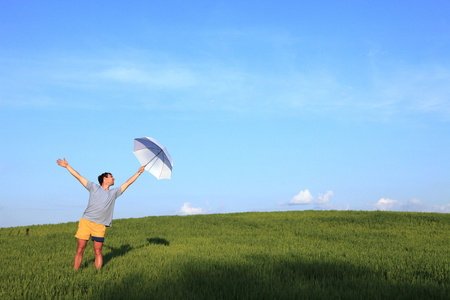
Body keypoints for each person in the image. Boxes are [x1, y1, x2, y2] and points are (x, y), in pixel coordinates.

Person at [57, 158, 145, 270]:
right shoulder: (94, 187)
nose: (114, 178)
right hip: (86, 222)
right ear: (105, 179)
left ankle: (98, 274)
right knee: (80, 249)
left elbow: (127, 183)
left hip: (100, 225)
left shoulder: (114, 193)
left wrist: (138, 172)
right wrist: (67, 166)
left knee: (98, 251)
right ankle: (75, 272)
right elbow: (79, 176)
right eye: (111, 176)